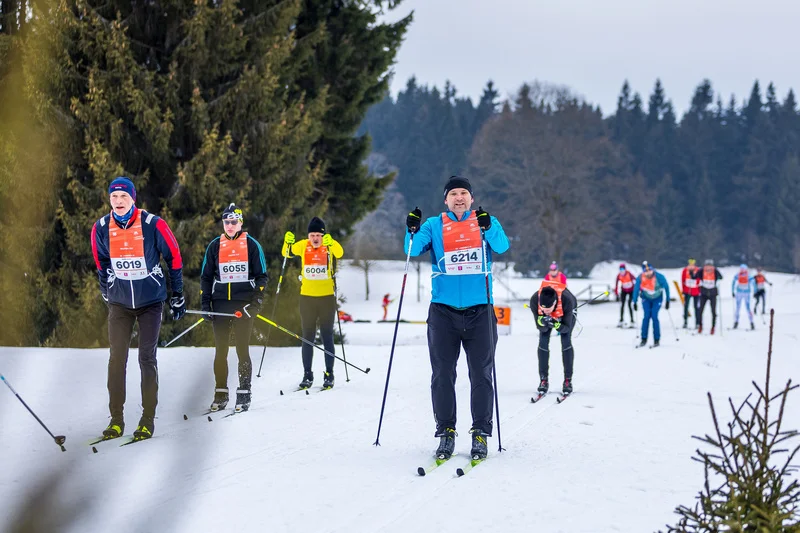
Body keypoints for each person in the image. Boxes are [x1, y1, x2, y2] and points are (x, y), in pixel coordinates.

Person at [404, 175, 510, 461]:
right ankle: (446, 432)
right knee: (442, 375)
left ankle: (480, 433)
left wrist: (488, 229)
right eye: (454, 194)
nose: (459, 197)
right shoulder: (433, 225)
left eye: (464, 193)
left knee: (481, 375)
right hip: (443, 313)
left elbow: (502, 247)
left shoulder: (486, 221)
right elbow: (411, 250)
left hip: (480, 312)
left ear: (472, 198)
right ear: (446, 200)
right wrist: (411, 230)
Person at [91, 177, 184, 441]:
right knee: (116, 360)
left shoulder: (153, 224)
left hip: (150, 303)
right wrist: (106, 290)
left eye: (124, 197)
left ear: (133, 199)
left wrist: (177, 294)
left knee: (146, 358)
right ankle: (116, 420)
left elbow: (174, 257)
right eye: (114, 197)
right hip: (119, 304)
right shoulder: (100, 227)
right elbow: (102, 262)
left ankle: (147, 419)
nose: (119, 202)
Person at [200, 204, 268, 412]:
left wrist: (255, 303)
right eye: (226, 222)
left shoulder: (252, 245)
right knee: (220, 352)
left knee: (241, 350)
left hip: (243, 306)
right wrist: (206, 304)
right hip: (220, 304)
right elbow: (206, 276)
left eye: (233, 222)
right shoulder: (214, 245)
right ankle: (220, 394)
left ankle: (244, 393)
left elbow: (262, 276)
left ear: (240, 223)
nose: (229, 226)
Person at [282, 217, 344, 390]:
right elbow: (287, 253)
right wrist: (287, 242)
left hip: (326, 298)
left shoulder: (329, 245)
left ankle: (329, 374)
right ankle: (307, 374)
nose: (315, 238)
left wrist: (332, 243)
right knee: (307, 337)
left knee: (327, 336)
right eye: (312, 235)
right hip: (307, 298)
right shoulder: (303, 245)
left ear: (323, 235)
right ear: (308, 235)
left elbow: (340, 253)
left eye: (318, 235)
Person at [530, 282, 577, 395]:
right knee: (543, 341)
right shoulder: (534, 300)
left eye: (548, 309)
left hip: (566, 313)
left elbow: (566, 328)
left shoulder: (567, 301)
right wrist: (543, 322)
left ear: (555, 303)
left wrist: (556, 324)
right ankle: (543, 380)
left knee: (566, 341)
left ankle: (567, 381)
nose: (546, 312)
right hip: (552, 316)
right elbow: (541, 328)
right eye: (543, 309)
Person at [632, 261, 670, 347]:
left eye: (650, 271)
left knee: (654, 316)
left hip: (657, 298)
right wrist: (634, 301)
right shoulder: (640, 278)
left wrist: (667, 300)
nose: (648, 273)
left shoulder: (659, 277)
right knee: (646, 317)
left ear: (653, 270)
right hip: (646, 298)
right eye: (646, 271)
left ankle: (656, 339)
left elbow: (666, 288)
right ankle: (643, 338)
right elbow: (636, 290)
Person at [694, 259, 722, 335]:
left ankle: (713, 327)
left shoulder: (715, 271)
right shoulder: (701, 271)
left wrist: (718, 276)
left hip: (713, 293)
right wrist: (691, 274)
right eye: (707, 266)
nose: (708, 267)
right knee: (700, 310)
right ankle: (700, 325)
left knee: (713, 311)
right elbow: (695, 277)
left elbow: (721, 277)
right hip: (704, 293)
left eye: (710, 266)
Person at [731, 264, 755, 330]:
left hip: (745, 293)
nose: (742, 270)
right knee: (739, 308)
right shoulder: (739, 275)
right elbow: (733, 282)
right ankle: (737, 322)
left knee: (746, 308)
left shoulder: (747, 275)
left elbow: (753, 283)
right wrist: (732, 291)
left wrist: (755, 292)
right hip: (741, 293)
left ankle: (751, 322)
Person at [680, 258, 701, 329]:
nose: (691, 265)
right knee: (686, 307)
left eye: (693, 264)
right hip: (687, 291)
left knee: (697, 307)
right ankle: (685, 321)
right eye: (690, 264)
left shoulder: (697, 270)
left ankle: (697, 323)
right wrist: (683, 289)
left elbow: (699, 279)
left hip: (696, 291)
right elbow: (682, 280)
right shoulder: (685, 270)